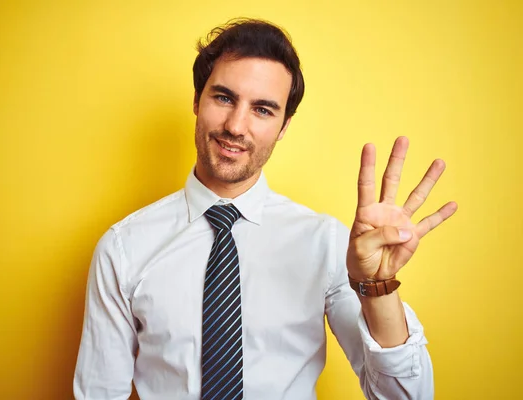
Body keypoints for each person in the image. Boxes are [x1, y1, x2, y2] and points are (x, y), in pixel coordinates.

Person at [73, 18, 457, 400]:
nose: (236, 126)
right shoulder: (124, 247)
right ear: (196, 100)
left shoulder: (326, 243)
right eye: (223, 98)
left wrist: (377, 290)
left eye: (262, 110)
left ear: (284, 126)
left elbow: (407, 397)